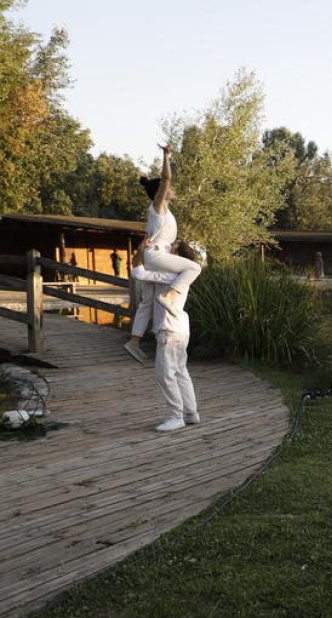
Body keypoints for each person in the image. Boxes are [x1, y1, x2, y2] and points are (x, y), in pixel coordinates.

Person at [130, 241, 201, 432]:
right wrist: (140, 252)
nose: (166, 250)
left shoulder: (169, 275)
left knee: (165, 374)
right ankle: (191, 413)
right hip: (181, 329)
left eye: (171, 248)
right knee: (180, 371)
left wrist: (140, 252)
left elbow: (136, 272)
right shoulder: (180, 276)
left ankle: (175, 416)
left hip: (169, 329)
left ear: (176, 257)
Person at [137, 144, 201, 321]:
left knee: (147, 302)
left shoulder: (164, 213)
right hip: (156, 256)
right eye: (168, 188)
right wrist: (166, 156)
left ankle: (136, 341)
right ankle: (169, 297)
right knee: (194, 268)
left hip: (156, 255)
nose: (171, 189)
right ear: (161, 192)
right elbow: (166, 178)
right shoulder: (158, 207)